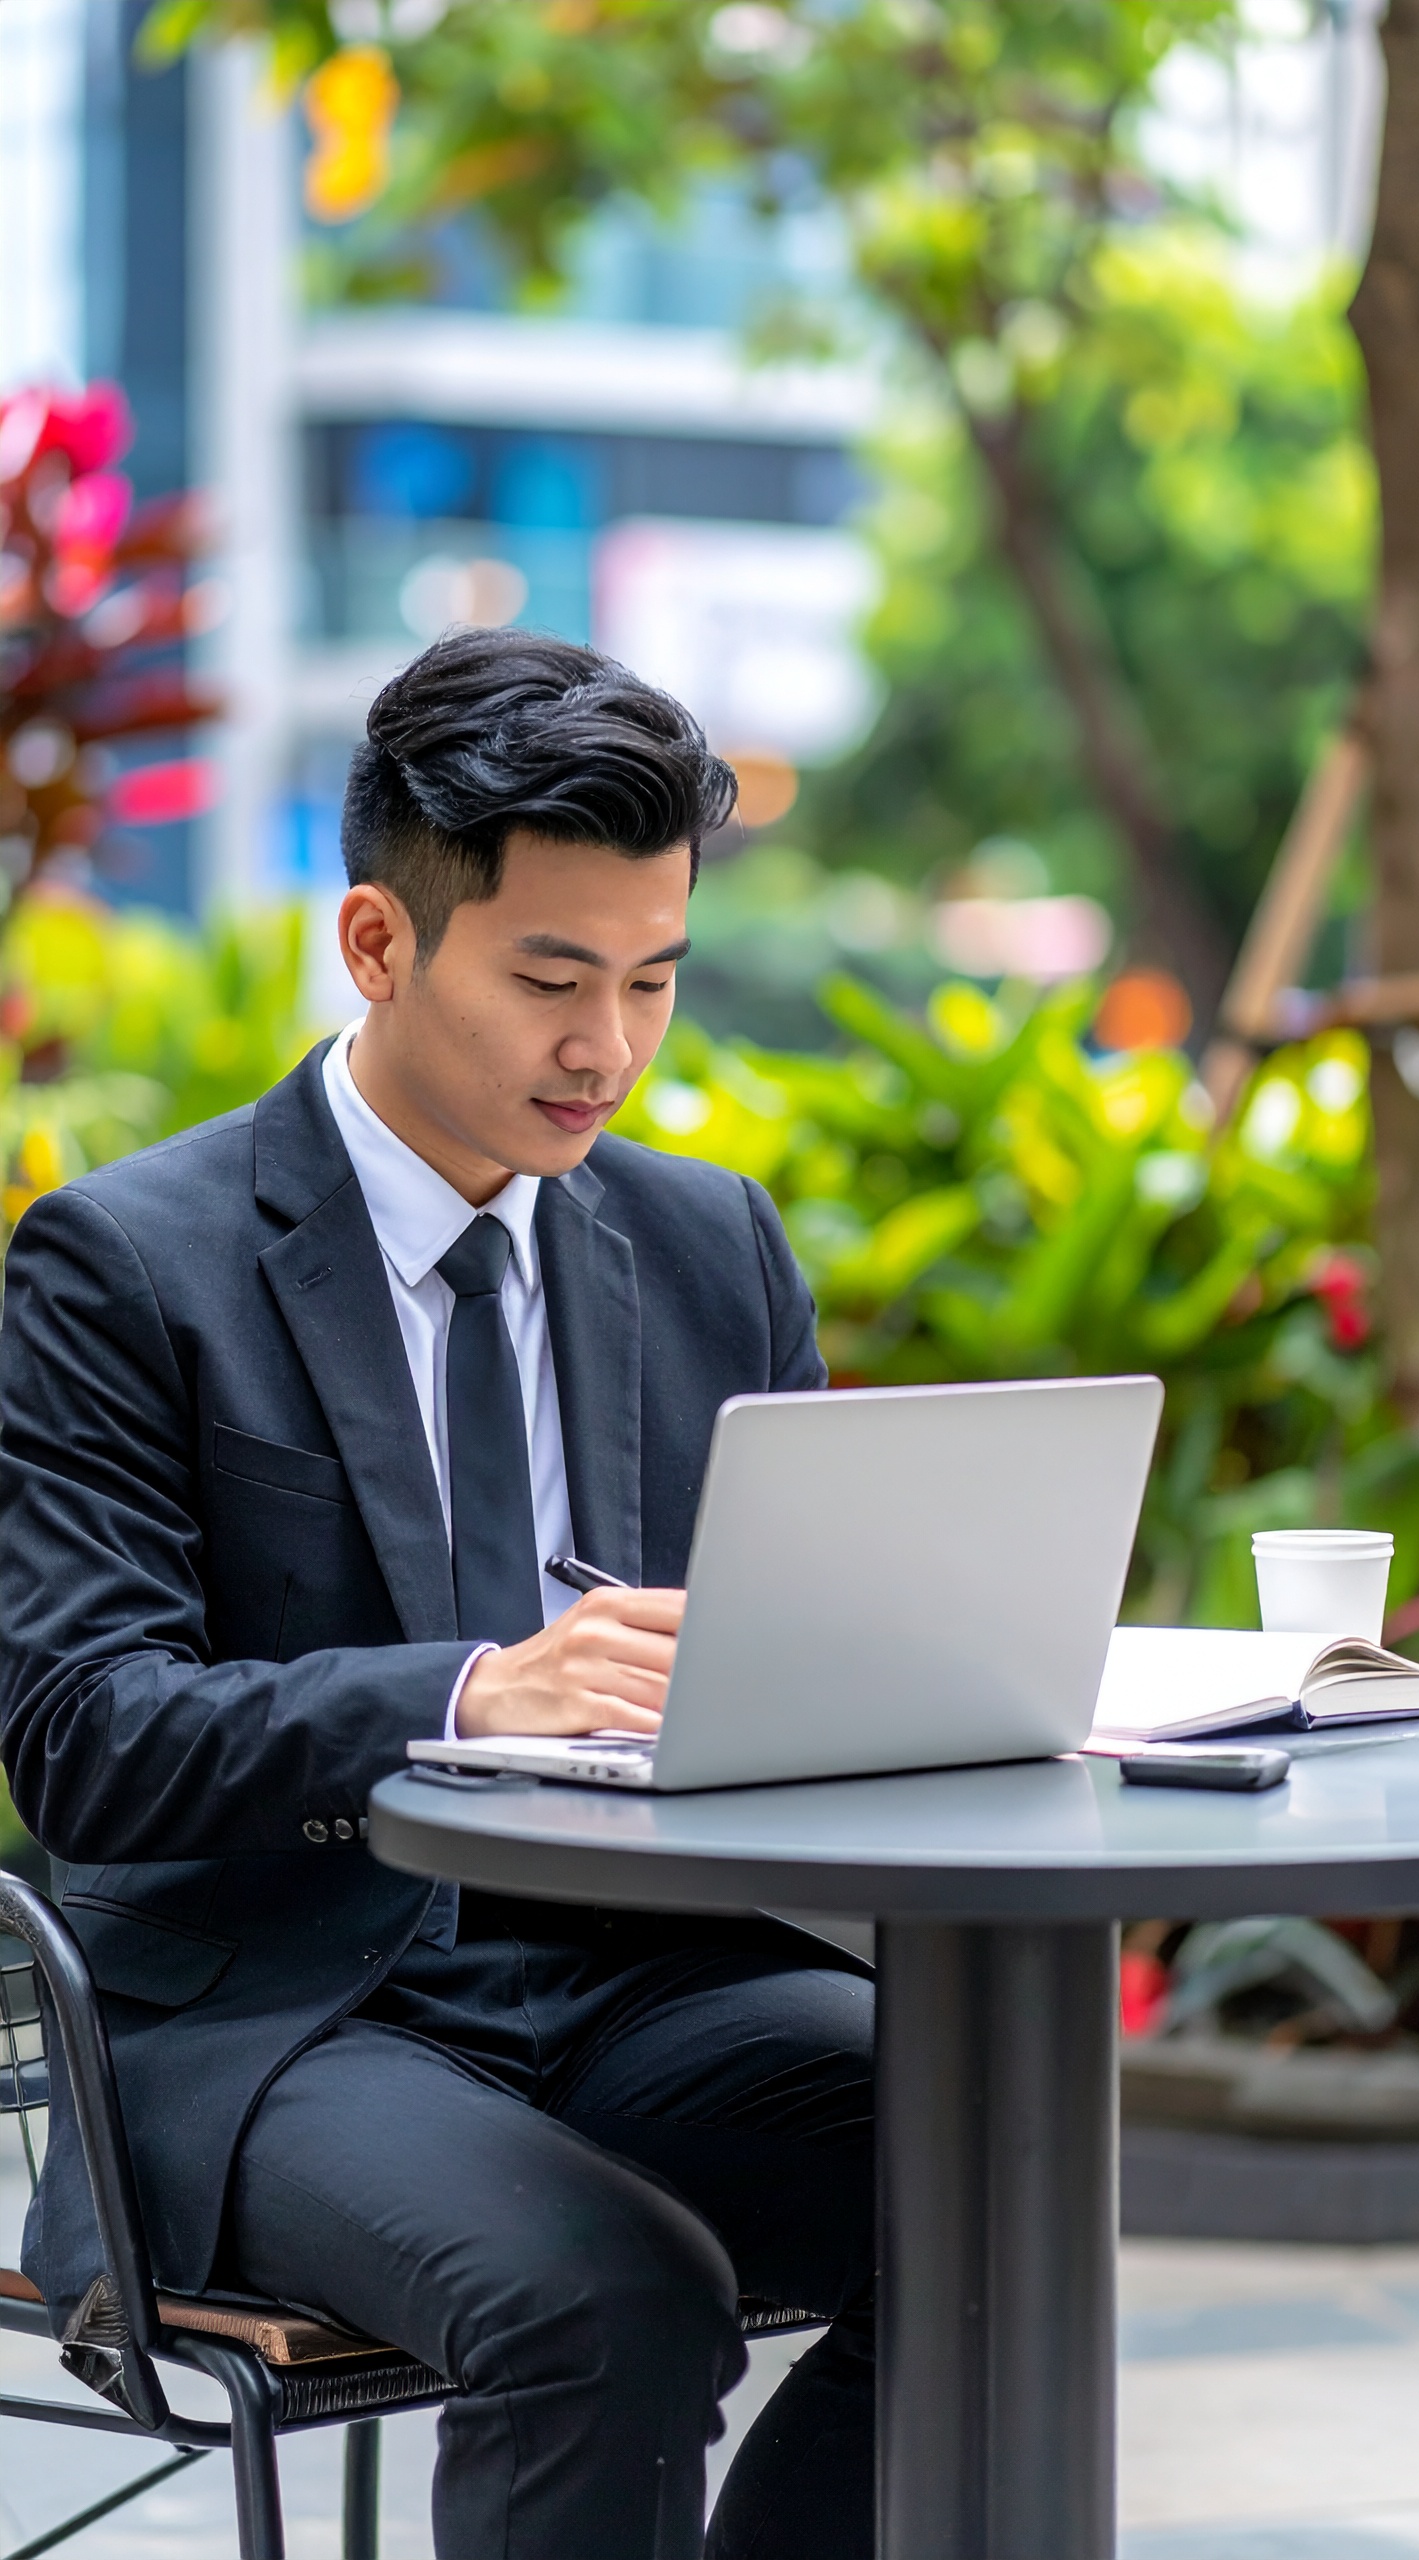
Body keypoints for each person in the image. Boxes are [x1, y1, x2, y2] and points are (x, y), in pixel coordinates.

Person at [0, 631, 875, 2560]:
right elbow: (81, 1740)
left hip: (647, 1970)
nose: (609, 1050)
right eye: (552, 979)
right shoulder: (128, 1266)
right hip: (284, 2014)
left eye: (654, 980)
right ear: (378, 945)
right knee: (608, 2298)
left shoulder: (706, 1243)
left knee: (1008, 2169)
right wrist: (475, 1690)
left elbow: (796, 1655)